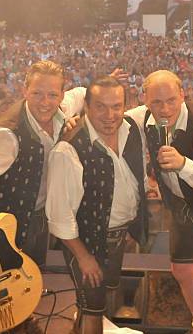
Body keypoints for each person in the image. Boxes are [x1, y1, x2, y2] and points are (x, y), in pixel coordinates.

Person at [0, 60, 88, 333]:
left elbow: (84, 92)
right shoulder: (6, 135)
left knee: (30, 278)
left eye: (52, 94)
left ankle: (26, 321)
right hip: (5, 224)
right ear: (25, 90)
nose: (45, 102)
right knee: (6, 286)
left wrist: (103, 87)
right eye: (38, 93)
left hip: (39, 216)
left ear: (62, 95)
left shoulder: (63, 109)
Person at [127, 70, 193, 334]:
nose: (164, 109)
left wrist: (184, 164)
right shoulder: (143, 117)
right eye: (156, 103)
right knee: (182, 270)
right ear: (145, 100)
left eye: (171, 100)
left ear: (183, 94)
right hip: (181, 206)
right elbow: (113, 117)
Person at [46, 76, 147, 334]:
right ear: (87, 107)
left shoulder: (130, 128)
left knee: (92, 304)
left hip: (118, 234)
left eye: (116, 106)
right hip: (87, 241)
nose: (110, 114)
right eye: (101, 106)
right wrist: (83, 257)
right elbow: (59, 218)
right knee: (93, 310)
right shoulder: (68, 149)